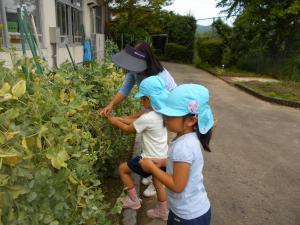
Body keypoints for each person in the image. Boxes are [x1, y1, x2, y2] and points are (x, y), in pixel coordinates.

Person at [100, 40, 177, 196]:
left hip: (167, 115)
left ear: (146, 60)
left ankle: (158, 181)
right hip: (153, 113)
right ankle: (150, 173)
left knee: (160, 150)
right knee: (149, 146)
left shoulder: (161, 77)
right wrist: (111, 105)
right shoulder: (135, 72)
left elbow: (161, 107)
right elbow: (125, 90)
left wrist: (123, 120)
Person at [139, 84, 214, 225]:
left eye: (170, 115)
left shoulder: (183, 146)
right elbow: (184, 165)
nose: (165, 118)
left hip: (187, 216)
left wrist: (152, 168)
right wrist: (162, 162)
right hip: (193, 210)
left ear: (191, 120)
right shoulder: (189, 137)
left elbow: (177, 185)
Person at [101, 76, 170, 220]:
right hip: (163, 158)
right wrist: (119, 118)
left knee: (123, 169)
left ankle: (133, 201)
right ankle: (163, 211)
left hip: (148, 160)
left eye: (141, 99)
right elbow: (134, 121)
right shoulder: (162, 114)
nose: (140, 101)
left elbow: (128, 128)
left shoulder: (148, 118)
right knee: (158, 183)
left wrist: (113, 121)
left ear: (148, 100)